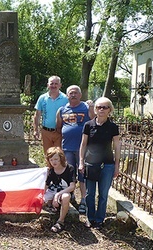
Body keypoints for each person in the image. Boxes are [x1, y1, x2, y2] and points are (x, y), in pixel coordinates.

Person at [79, 97, 120, 229]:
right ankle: (90, 218)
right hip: (91, 164)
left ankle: (99, 219)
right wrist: (81, 162)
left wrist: (117, 166)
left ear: (110, 110)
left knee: (103, 194)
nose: (101, 110)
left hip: (107, 165)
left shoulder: (113, 127)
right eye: (98, 107)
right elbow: (83, 144)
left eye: (105, 107)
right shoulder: (88, 125)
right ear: (95, 109)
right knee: (90, 194)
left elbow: (117, 146)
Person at [56, 85, 95, 214]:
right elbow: (58, 127)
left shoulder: (86, 107)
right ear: (67, 95)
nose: (73, 95)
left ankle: (84, 200)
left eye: (76, 93)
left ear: (80, 95)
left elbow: (94, 120)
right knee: (69, 173)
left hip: (83, 148)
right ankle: (70, 195)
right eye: (70, 93)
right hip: (67, 147)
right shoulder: (62, 110)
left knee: (83, 173)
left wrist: (91, 106)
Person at [44, 147, 76, 233]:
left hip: (64, 191)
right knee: (42, 199)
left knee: (66, 197)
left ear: (61, 158)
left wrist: (58, 194)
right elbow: (46, 185)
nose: (54, 162)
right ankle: (51, 205)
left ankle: (60, 221)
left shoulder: (69, 168)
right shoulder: (51, 170)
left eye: (56, 159)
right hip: (53, 190)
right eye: (51, 160)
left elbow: (72, 186)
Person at [33, 76, 68, 154]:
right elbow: (37, 115)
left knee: (59, 155)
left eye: (56, 84)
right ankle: (49, 166)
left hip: (60, 132)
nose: (54, 86)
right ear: (48, 85)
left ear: (60, 85)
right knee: (48, 154)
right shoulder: (42, 98)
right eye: (52, 84)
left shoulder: (65, 99)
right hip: (46, 132)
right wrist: (36, 130)